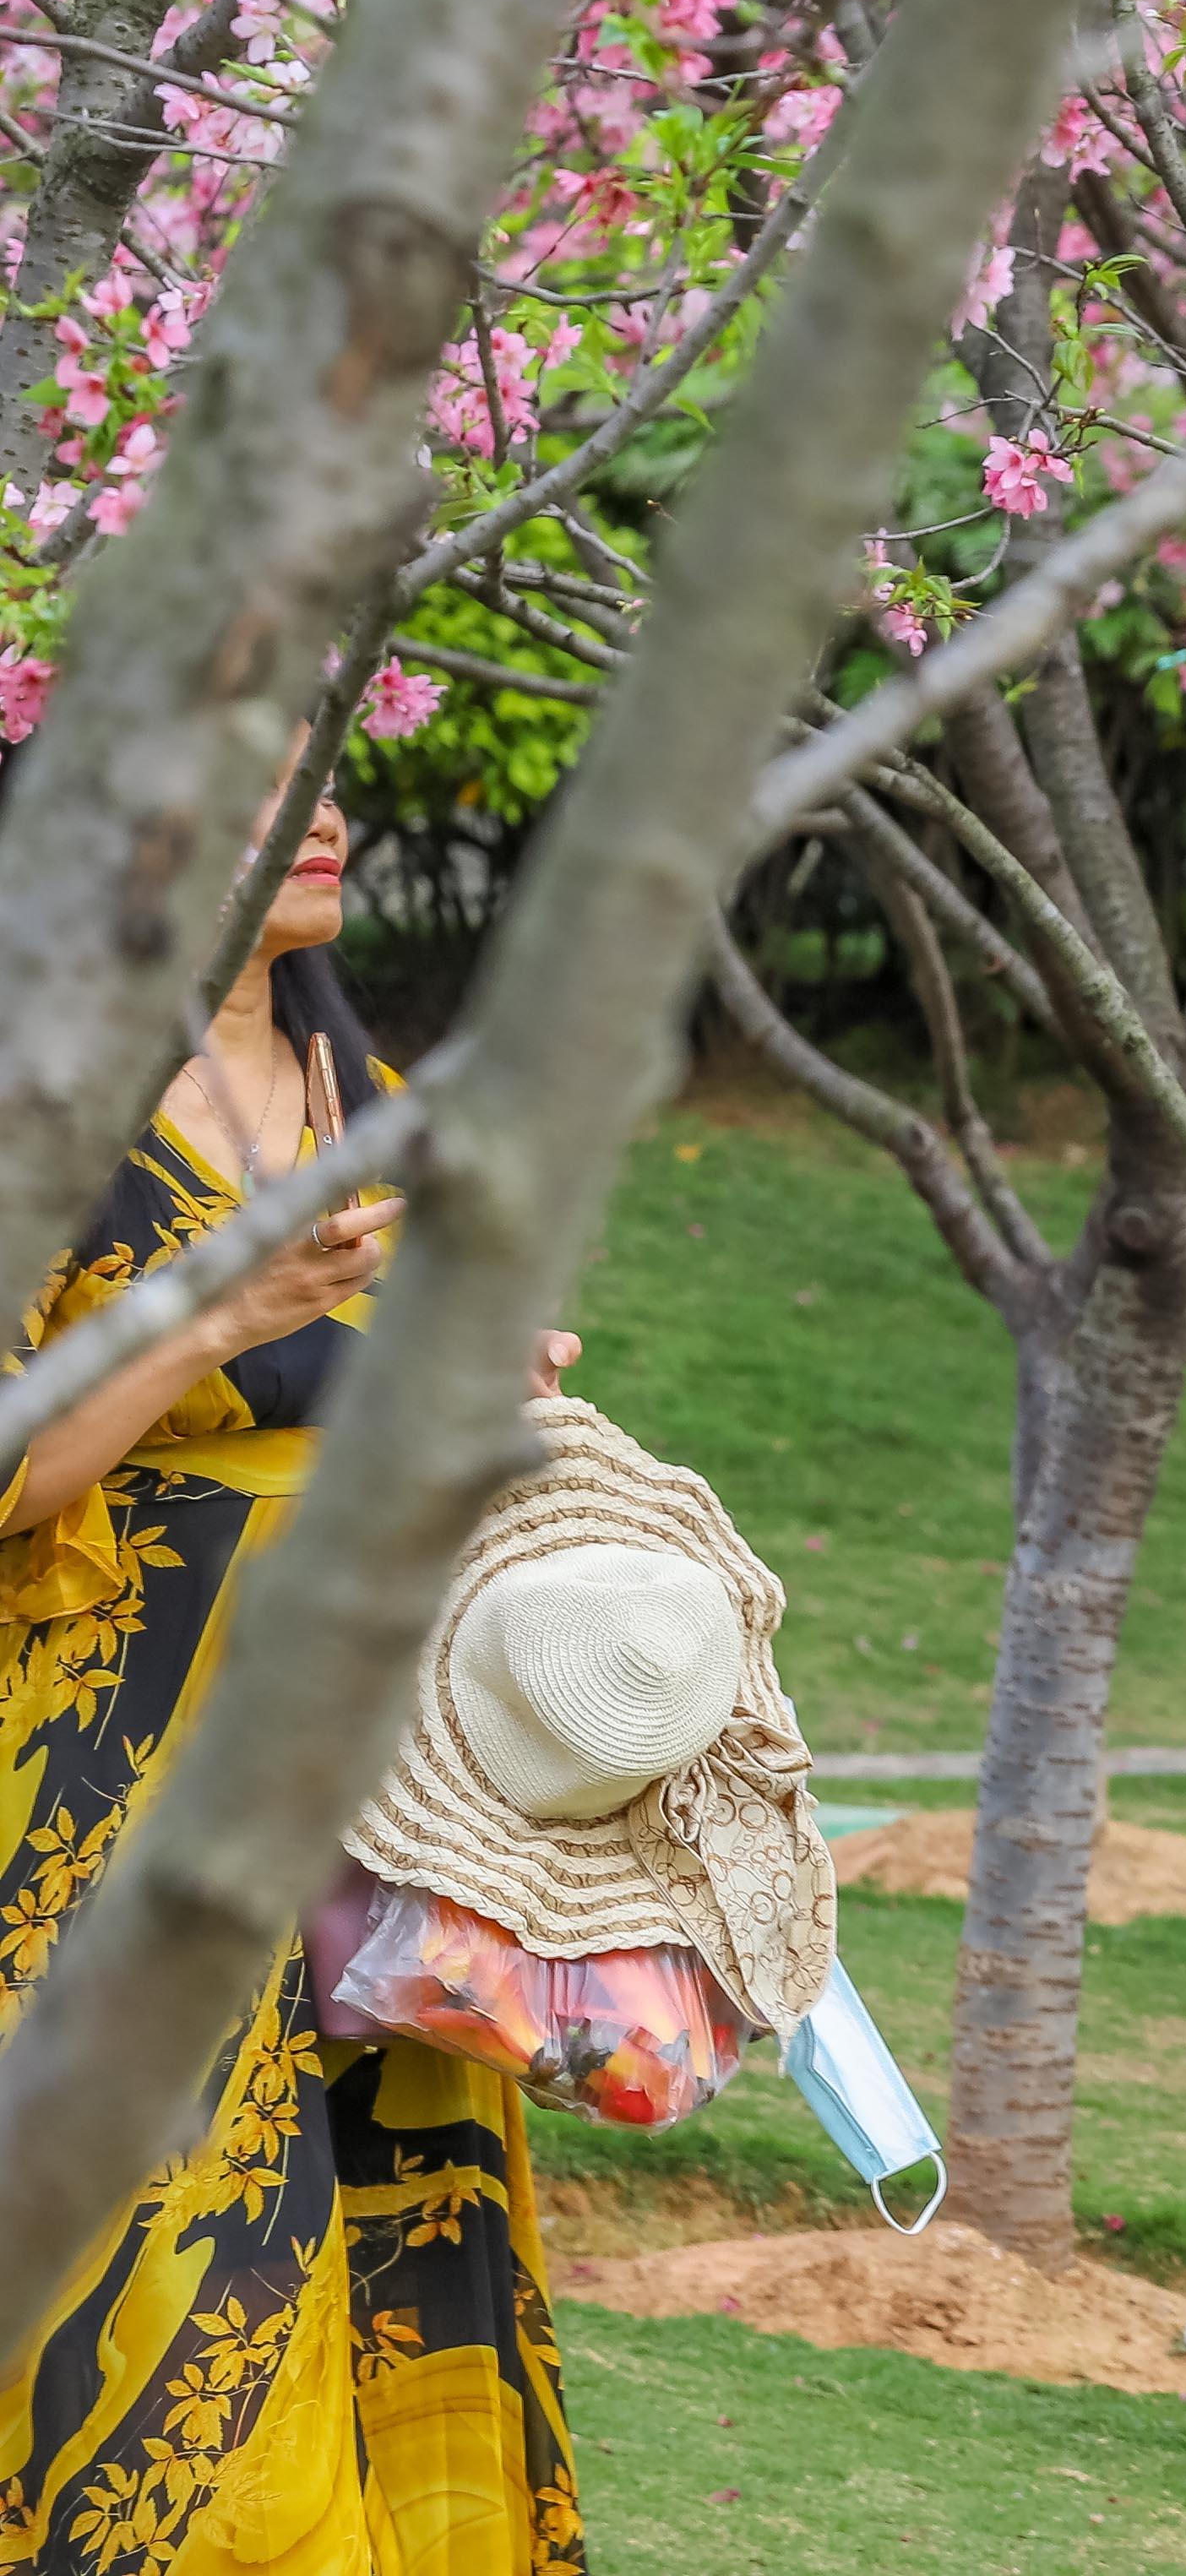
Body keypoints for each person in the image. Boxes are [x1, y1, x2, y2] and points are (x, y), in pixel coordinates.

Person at [5, 790, 594, 2566]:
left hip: (375, 1832)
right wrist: (219, 1315)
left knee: (394, 2272)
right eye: (264, 764)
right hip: (108, 1816)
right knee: (171, 2324)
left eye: (334, 758)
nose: (327, 804)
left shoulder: (393, 1115)